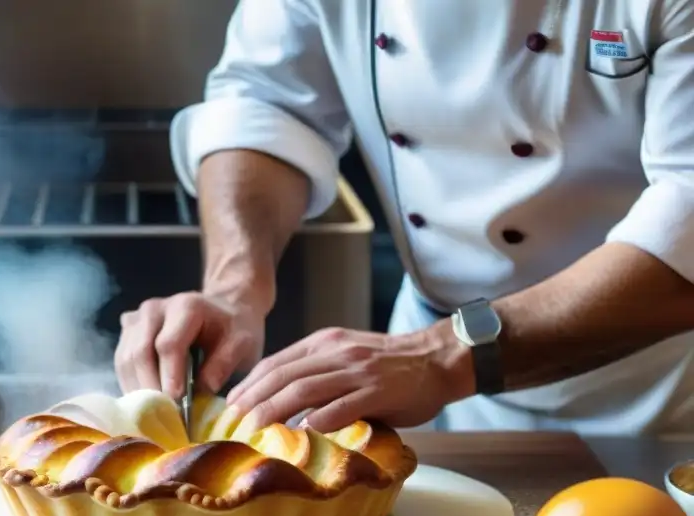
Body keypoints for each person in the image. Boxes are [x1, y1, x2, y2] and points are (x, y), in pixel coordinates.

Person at [113, 0, 694, 436]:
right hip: (418, 389)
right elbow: (268, 104)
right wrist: (235, 285)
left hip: (653, 392)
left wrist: (441, 357)